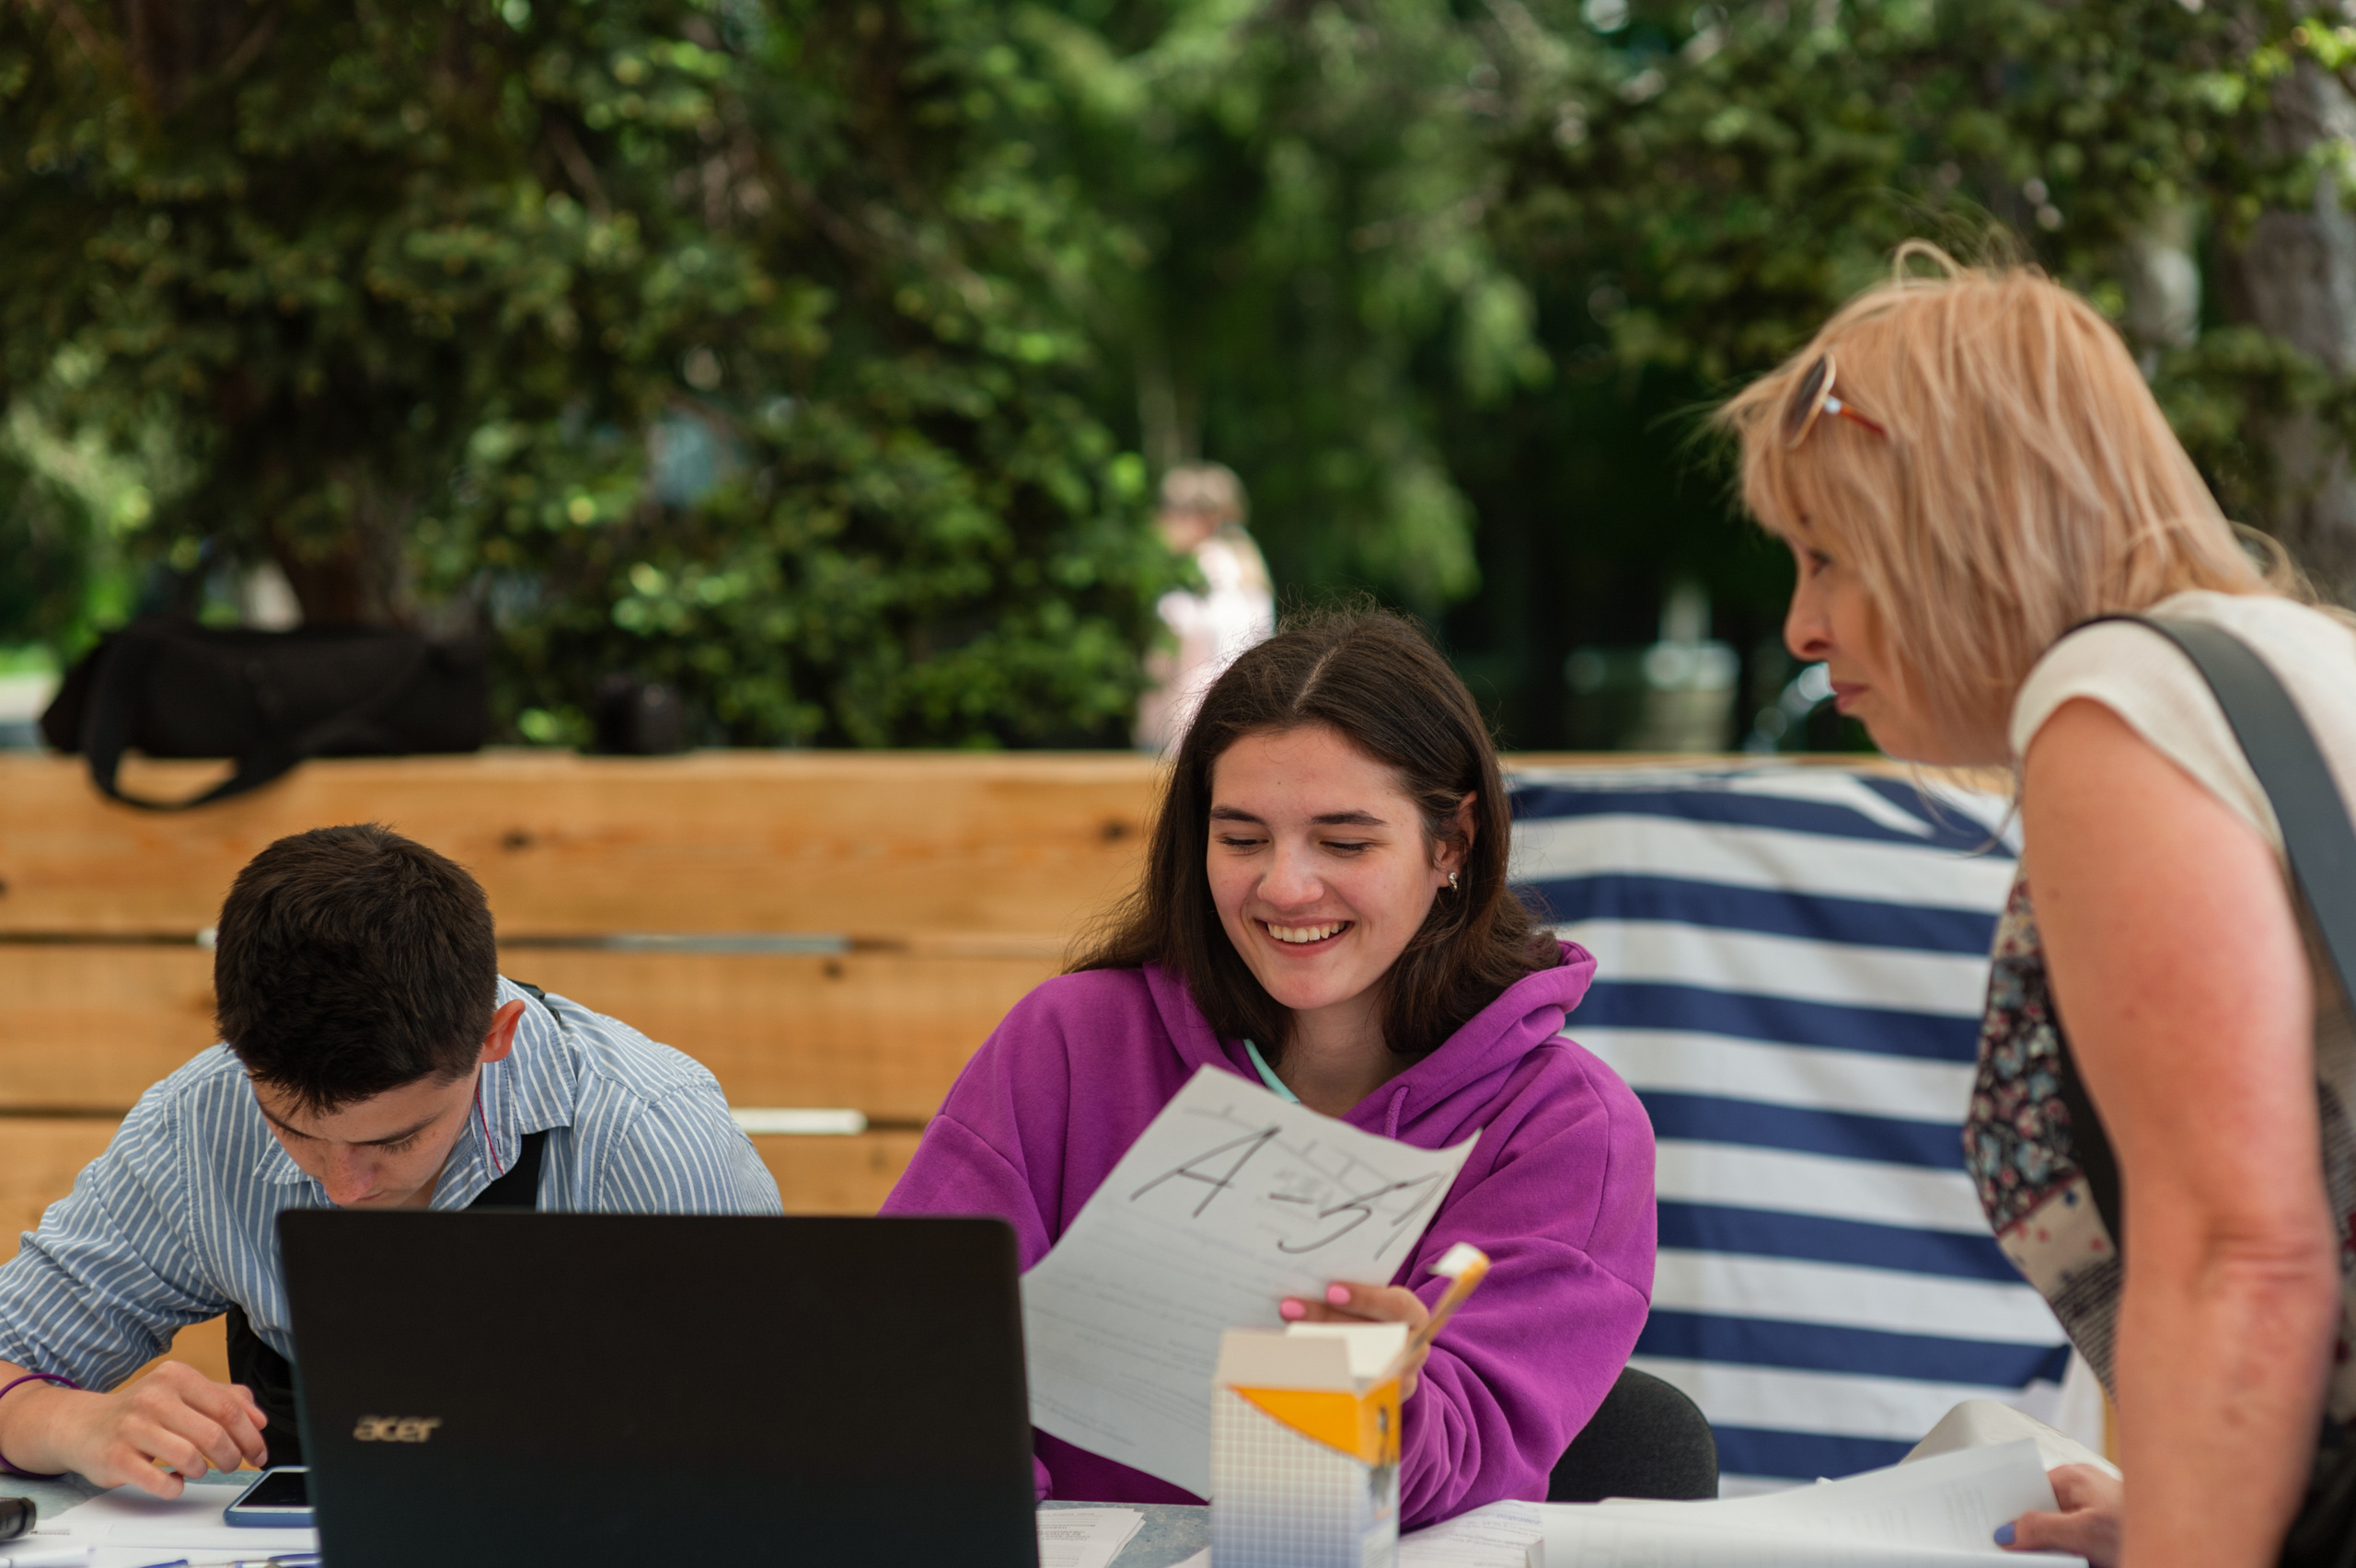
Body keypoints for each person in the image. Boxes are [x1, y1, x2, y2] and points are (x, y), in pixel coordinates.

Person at [1720, 251, 2356, 1568]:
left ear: (1959, 526)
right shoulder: (2285, 659)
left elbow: (2238, 1257)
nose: (1799, 626)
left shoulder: (2115, 701)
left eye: (1827, 557)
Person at [884, 607, 1657, 1528]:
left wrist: (1382, 1407)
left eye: (1345, 842)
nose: (1284, 887)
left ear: (1451, 843)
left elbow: (1465, 1464)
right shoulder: (1067, 1043)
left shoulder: (1565, 1127)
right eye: (1242, 839)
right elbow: (906, 1367)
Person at [0, 823, 782, 1492]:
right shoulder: (200, 1122)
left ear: (494, 1037)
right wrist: (68, 1420)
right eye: (292, 1130)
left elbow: (780, 1445)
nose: (344, 1190)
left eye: (395, 1139)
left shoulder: (646, 1133)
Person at [1135, 462, 1276, 752]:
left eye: (1168, 508)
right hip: (1234, 726)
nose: (1159, 518)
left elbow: (1179, 658)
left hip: (1187, 732)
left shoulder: (1201, 571)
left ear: (1203, 517)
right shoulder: (1247, 569)